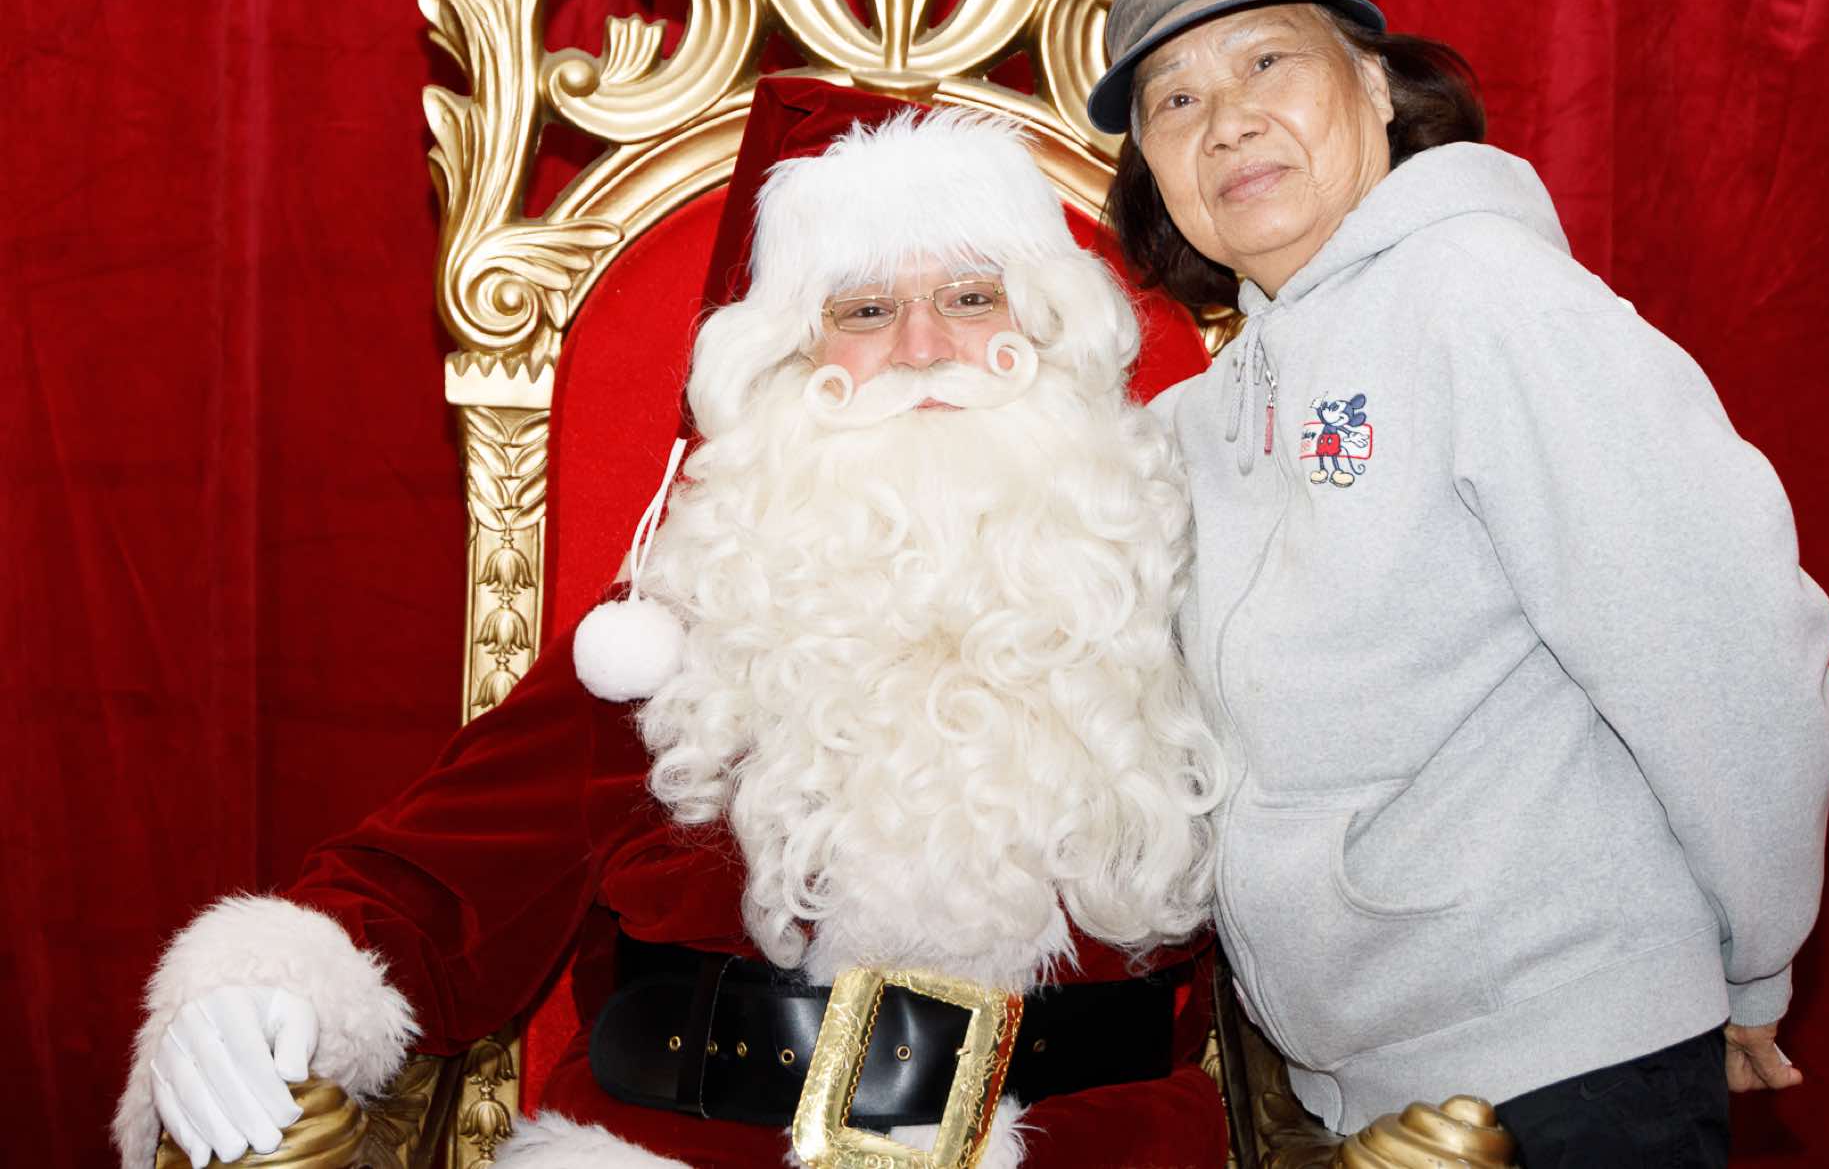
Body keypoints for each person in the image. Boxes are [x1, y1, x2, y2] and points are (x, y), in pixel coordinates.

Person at [115, 82, 1230, 1169]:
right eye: (864, 311)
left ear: (1047, 327)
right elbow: (435, 878)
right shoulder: (683, 626)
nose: (924, 346)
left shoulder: (1173, 597)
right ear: (790, 363)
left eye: (972, 297)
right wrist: (265, 987)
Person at [1087, 0, 1829, 1168]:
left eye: (1267, 61)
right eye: (1173, 100)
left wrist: (1750, 960)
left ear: (1377, 85)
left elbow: (1723, 649)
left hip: (1564, 1070)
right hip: (1339, 1104)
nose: (1224, 121)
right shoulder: (1195, 423)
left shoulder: (1489, 301)